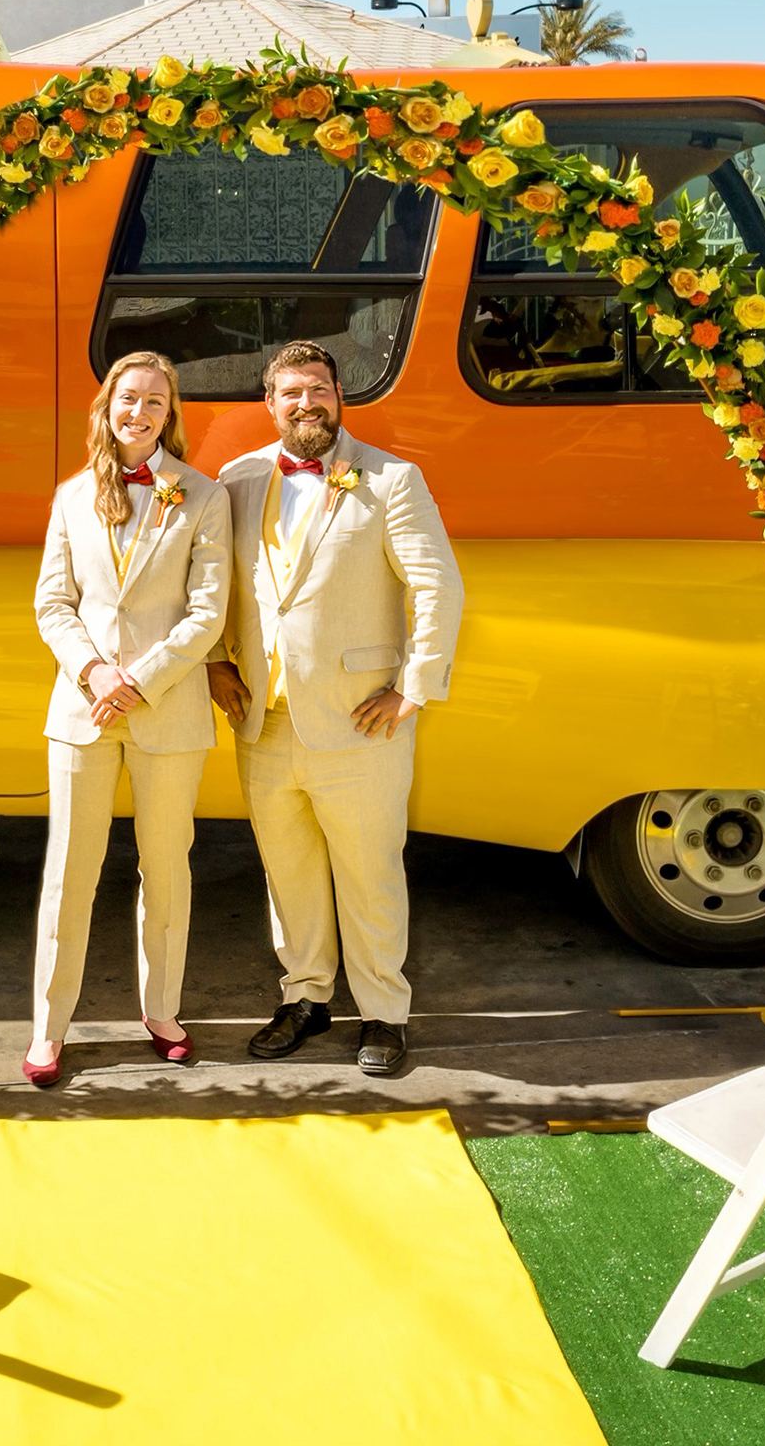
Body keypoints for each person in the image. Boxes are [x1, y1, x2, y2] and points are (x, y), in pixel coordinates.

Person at [205, 341, 463, 1078]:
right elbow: (220, 587)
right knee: (287, 873)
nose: (306, 404)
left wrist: (414, 687)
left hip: (360, 723)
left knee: (369, 871)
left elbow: (437, 587)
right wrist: (219, 661)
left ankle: (384, 1013)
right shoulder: (239, 479)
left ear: (340, 395)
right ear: (270, 403)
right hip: (264, 722)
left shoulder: (392, 479)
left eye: (317, 389)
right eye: (291, 393)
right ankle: (307, 997)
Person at [27, 351, 233, 1089]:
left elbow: (208, 613)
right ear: (106, 408)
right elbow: (53, 603)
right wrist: (94, 674)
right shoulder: (71, 495)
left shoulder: (204, 497)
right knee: (69, 873)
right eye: (128, 399)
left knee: (166, 867)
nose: (139, 412)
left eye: (154, 401)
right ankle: (49, 1030)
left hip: (167, 710)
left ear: (169, 414)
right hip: (82, 710)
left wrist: (137, 681)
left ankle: (163, 1012)